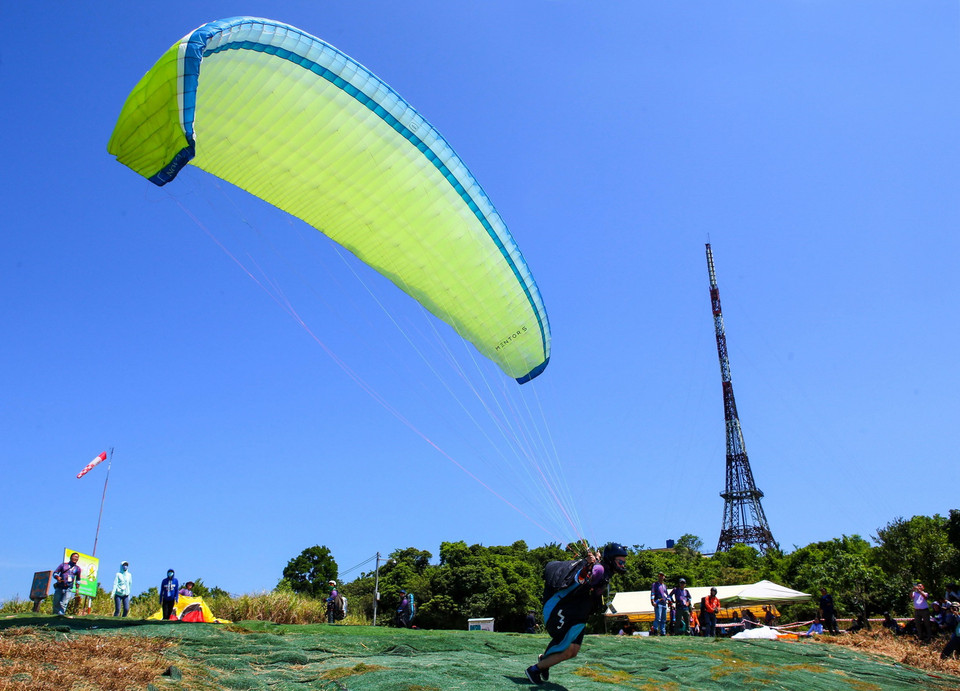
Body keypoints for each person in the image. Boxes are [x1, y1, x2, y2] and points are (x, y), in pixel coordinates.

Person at [525, 543, 627, 685]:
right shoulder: (599, 570)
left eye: (624, 562)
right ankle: (534, 670)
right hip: (562, 609)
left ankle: (544, 662)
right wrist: (589, 567)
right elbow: (579, 579)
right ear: (611, 560)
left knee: (572, 651)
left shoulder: (605, 570)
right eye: (620, 562)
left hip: (578, 614)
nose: (623, 565)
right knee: (566, 647)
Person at [650, 572, 670, 636]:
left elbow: (666, 594)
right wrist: (653, 601)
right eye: (659, 576)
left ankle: (663, 632)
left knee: (663, 619)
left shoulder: (664, 586)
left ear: (664, 577)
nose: (661, 577)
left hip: (664, 603)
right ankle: (655, 630)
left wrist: (670, 601)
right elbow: (652, 593)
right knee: (658, 618)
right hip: (658, 602)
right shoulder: (655, 584)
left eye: (662, 576)